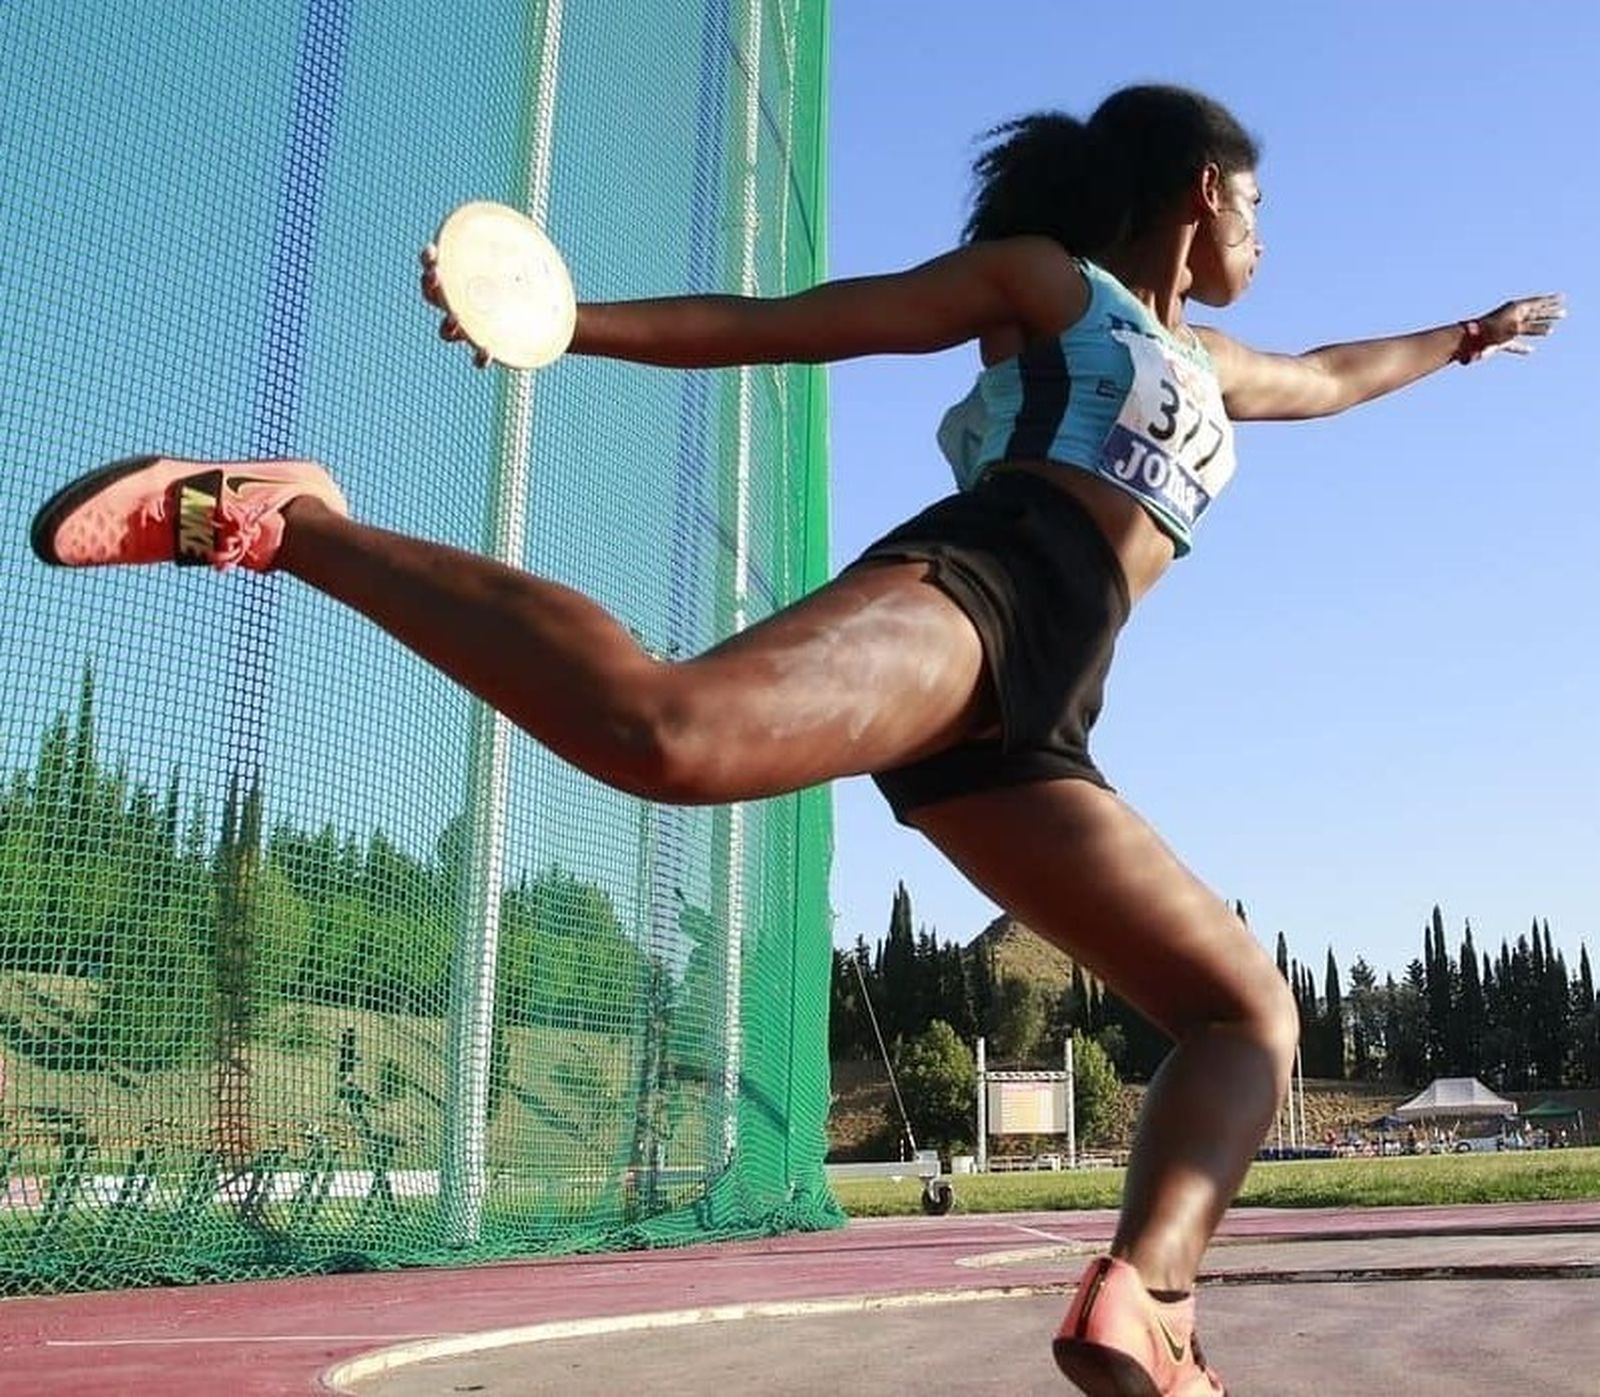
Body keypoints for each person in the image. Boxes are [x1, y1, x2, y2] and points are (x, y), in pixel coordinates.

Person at [29, 84, 1564, 1396]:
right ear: (1204, 189)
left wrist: (1470, 337)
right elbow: (800, 324)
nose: (1267, 243)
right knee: (666, 729)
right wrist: (569, 325)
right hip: (992, 581)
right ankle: (289, 520)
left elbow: (1341, 376)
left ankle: (1149, 1305)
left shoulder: (1219, 370)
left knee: (1249, 1015)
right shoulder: (1048, 285)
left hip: (1040, 708)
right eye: (1260, 208)